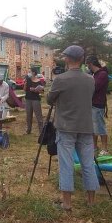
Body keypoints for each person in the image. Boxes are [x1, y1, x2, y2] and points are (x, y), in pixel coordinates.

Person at [47, 45, 99, 210]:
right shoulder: (90, 79)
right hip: (85, 126)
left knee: (66, 164)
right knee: (88, 164)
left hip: (66, 127)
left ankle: (67, 203)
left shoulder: (60, 79)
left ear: (68, 59)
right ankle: (91, 201)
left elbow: (49, 100)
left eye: (65, 56)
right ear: (82, 59)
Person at [86, 56, 109, 156]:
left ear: (91, 64)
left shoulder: (102, 74)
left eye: (87, 65)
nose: (87, 67)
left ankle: (105, 149)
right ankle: (94, 147)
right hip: (92, 103)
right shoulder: (95, 74)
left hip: (98, 104)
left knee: (100, 127)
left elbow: (94, 87)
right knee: (93, 128)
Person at [24, 68, 44, 134]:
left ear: (34, 73)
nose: (29, 73)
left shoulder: (39, 81)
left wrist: (36, 90)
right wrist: (25, 83)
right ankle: (28, 130)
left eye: (30, 72)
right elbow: (25, 89)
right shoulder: (28, 80)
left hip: (36, 100)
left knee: (39, 116)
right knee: (28, 116)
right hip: (28, 99)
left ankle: (41, 132)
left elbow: (42, 91)